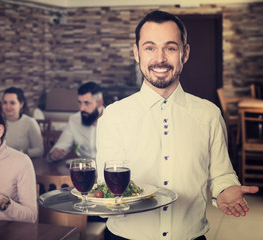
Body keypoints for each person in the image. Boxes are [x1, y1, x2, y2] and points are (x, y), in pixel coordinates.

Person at [95, 10, 259, 240]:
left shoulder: (209, 114)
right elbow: (105, 185)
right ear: (136, 52)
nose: (160, 58)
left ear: (185, 53)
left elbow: (222, 173)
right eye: (150, 47)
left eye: (170, 48)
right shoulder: (113, 116)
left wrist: (224, 189)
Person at [47, 81, 104, 162]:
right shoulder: (74, 120)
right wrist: (54, 155)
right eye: (80, 103)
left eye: (87, 103)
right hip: (83, 171)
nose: (81, 108)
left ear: (99, 103)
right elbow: (60, 146)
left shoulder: (113, 121)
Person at [2, 87, 44, 158]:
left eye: (12, 103)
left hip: (24, 163)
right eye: (5, 102)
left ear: (21, 104)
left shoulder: (30, 122)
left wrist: (22, 153)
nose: (8, 106)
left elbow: (40, 150)